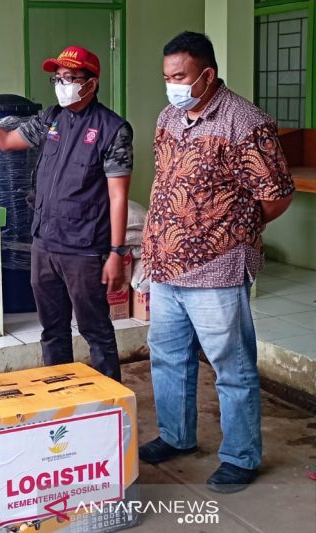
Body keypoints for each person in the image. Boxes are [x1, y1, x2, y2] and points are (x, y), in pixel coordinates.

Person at [139, 31, 294, 493]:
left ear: (207, 74)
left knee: (232, 366)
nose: (172, 85)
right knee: (168, 357)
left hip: (218, 268)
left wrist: (231, 230)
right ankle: (176, 436)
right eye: (167, 77)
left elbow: (277, 195)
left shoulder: (245, 122)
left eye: (181, 76)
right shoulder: (169, 116)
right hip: (166, 265)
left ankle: (241, 456)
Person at [0, 45, 133, 381]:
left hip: (84, 249)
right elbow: (5, 140)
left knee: (95, 330)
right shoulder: (50, 119)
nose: (62, 85)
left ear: (91, 82)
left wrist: (116, 252)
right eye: (58, 78)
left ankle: (110, 410)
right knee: (52, 330)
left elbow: (118, 196)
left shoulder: (113, 129)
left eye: (70, 78)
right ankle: (60, 401)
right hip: (44, 244)